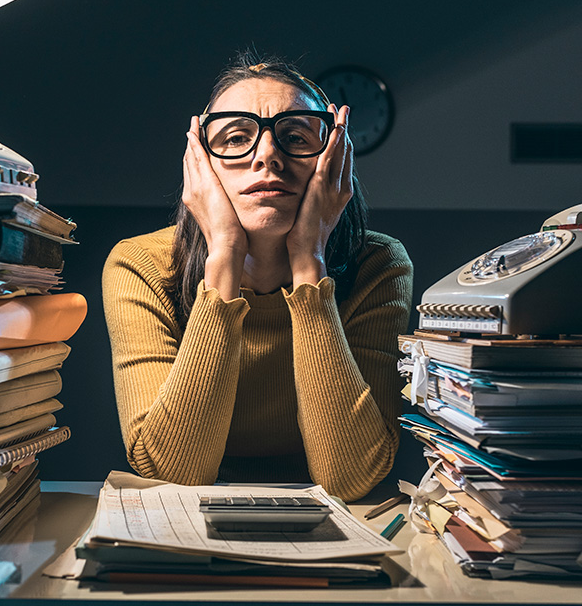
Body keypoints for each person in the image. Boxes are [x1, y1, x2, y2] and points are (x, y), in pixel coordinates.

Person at [101, 53, 413, 501]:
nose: (267, 156)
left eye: (295, 136)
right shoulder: (139, 264)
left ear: (335, 157)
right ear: (201, 163)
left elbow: (350, 478)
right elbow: (172, 473)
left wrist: (310, 263)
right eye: (235, 137)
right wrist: (225, 255)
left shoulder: (379, 265)